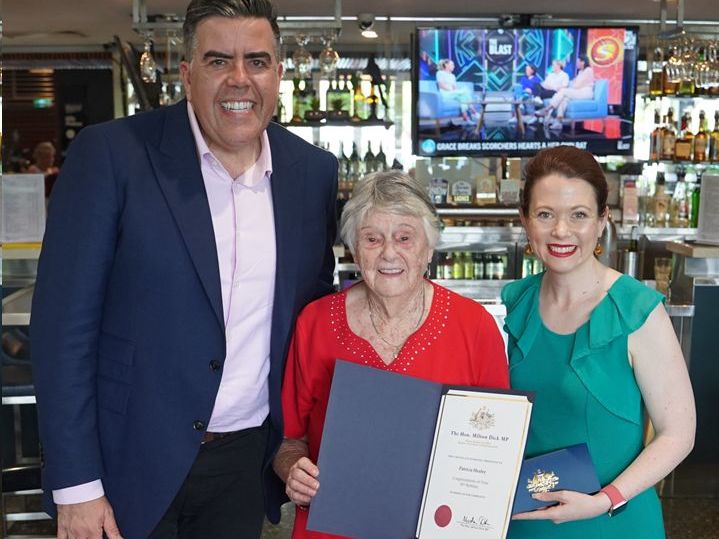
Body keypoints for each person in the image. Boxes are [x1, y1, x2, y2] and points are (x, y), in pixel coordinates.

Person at [30, 0, 338, 538]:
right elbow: (63, 334)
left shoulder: (311, 173)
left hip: (245, 466)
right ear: (187, 73)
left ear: (279, 73)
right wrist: (77, 486)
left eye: (257, 61)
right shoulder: (112, 155)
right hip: (125, 465)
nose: (239, 80)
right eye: (219, 61)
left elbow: (312, 320)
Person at [272, 171, 509, 539]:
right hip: (336, 527)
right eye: (372, 239)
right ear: (353, 247)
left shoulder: (474, 326)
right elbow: (289, 440)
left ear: (428, 248)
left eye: (404, 238)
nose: (388, 253)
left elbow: (495, 450)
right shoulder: (314, 323)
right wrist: (293, 471)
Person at [503, 146, 695, 538]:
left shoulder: (635, 310)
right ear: (524, 220)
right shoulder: (517, 302)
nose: (561, 231)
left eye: (579, 215)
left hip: (611, 521)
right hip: (526, 523)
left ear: (602, 221)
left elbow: (679, 434)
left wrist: (606, 499)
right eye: (545, 215)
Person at [539, 55, 595, 130]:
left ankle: (547, 109)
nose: (577, 63)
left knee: (563, 91)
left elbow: (577, 85)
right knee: (564, 99)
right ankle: (558, 122)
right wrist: (573, 84)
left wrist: (572, 85)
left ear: (583, 62)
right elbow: (575, 84)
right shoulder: (580, 72)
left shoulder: (588, 70)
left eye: (578, 62)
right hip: (579, 92)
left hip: (586, 92)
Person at [435, 58, 478, 124]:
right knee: (464, 92)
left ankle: (466, 118)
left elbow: (455, 88)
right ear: (446, 65)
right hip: (445, 94)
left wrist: (455, 91)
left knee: (463, 97)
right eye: (452, 64)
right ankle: (474, 112)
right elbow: (441, 85)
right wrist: (452, 90)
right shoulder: (440, 73)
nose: (454, 66)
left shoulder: (453, 76)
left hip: (453, 93)